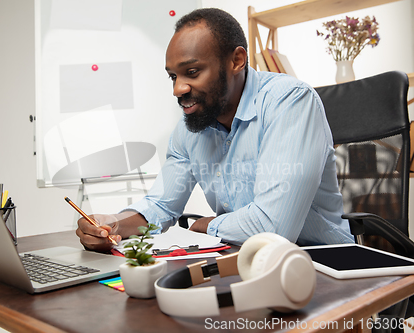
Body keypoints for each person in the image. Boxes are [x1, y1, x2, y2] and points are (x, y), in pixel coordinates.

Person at [76, 8, 353, 252]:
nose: (177, 89)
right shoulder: (190, 128)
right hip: (241, 259)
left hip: (320, 262)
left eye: (192, 72)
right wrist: (113, 225)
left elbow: (274, 227)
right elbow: (161, 206)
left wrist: (209, 226)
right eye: (173, 76)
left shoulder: (289, 101)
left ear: (236, 60)